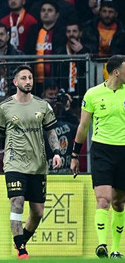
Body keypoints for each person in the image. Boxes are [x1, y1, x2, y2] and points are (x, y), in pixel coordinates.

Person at [0, 65, 62, 260]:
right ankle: (21, 248)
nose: (28, 81)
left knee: (38, 212)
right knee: (17, 201)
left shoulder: (43, 106)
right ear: (15, 82)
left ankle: (22, 239)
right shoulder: (4, 107)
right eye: (24, 78)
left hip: (38, 165)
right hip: (14, 163)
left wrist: (57, 152)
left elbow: (51, 132)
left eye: (30, 78)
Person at [71, 54, 125, 259]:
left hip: (123, 152)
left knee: (119, 204)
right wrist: (74, 154)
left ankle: (116, 249)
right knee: (103, 199)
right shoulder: (93, 94)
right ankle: (102, 244)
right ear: (116, 72)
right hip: (102, 151)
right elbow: (83, 126)